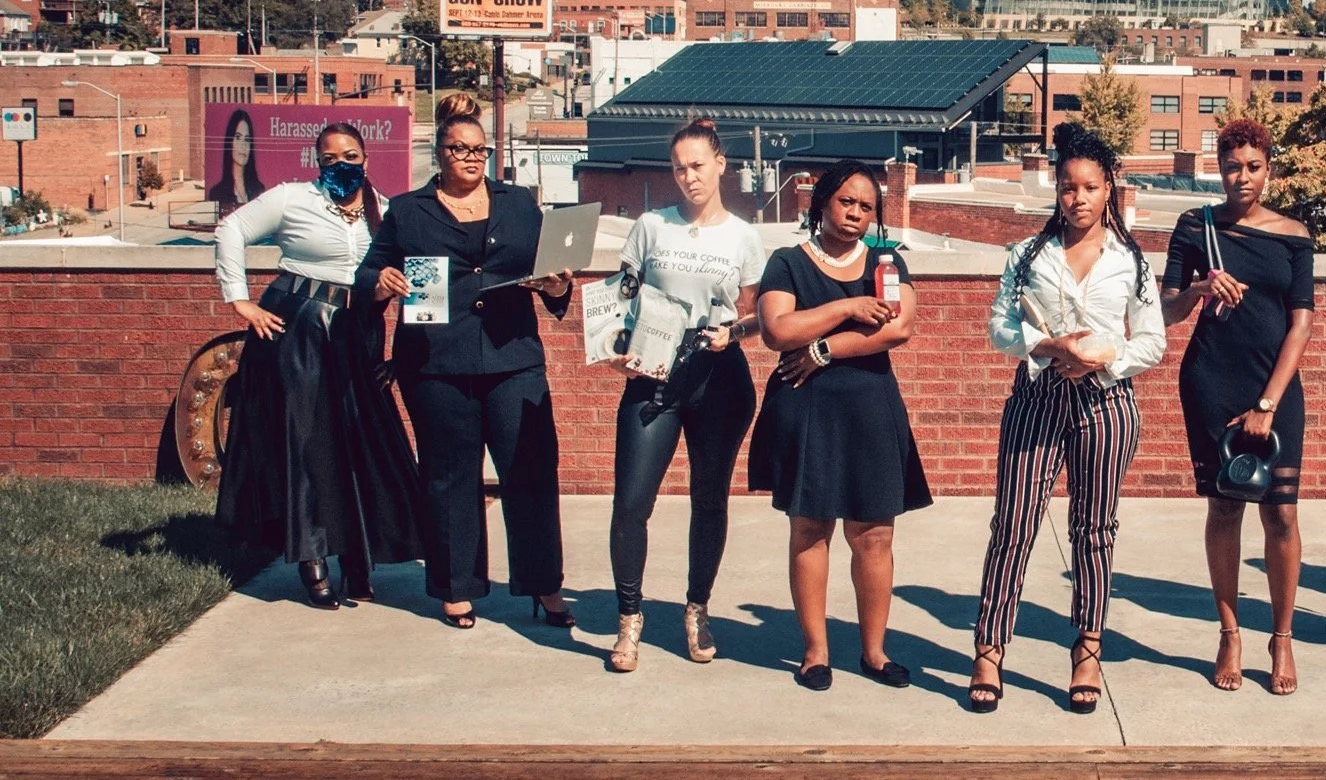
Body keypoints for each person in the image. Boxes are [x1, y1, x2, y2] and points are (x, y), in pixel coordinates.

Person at [354, 93, 577, 631]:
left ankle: (543, 583)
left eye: (479, 150)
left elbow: (554, 270)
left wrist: (558, 284)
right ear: (439, 153)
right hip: (435, 364)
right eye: (459, 149)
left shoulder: (521, 202)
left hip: (513, 359)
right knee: (450, 476)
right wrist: (381, 283)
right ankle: (455, 586)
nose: (471, 158)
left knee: (530, 472)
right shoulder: (408, 211)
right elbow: (367, 273)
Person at [974, 123, 1166, 715]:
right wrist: (1052, 348)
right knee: (1014, 524)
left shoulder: (1132, 263)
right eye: (1066, 187)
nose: (1077, 198)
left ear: (1109, 188)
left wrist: (1105, 357)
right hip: (1037, 400)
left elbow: (1153, 342)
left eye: (1088, 187)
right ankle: (988, 649)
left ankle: (1087, 648)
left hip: (1106, 406)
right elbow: (999, 327)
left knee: (1094, 529)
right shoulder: (1027, 256)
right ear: (1055, 191)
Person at [214, 122, 427, 607]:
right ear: (316, 161)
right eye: (329, 158)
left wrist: (403, 351)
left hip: (359, 330)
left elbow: (419, 278)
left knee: (358, 442)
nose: (340, 165)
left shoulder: (388, 211)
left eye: (350, 156)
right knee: (307, 442)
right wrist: (240, 300)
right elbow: (232, 228)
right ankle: (312, 555)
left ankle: (357, 555)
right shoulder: (292, 198)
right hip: (299, 326)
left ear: (367, 158)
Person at [749, 160, 931, 691]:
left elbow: (899, 329)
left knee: (873, 534)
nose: (854, 213)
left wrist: (825, 348)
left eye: (866, 206)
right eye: (846, 201)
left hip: (869, 410)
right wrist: (850, 305)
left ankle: (874, 652)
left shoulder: (887, 261)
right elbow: (779, 331)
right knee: (810, 527)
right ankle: (815, 652)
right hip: (805, 409)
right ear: (822, 201)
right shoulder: (786, 262)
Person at [604, 119, 767, 673]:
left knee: (710, 500)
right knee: (631, 502)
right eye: (679, 167)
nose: (688, 176)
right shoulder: (651, 226)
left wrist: (734, 333)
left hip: (718, 379)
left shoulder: (744, 237)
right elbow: (618, 299)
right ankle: (629, 620)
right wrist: (614, 347)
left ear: (722, 164)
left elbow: (758, 318)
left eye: (698, 165)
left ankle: (697, 608)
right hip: (653, 375)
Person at [1161, 118, 1315, 694]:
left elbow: (1301, 323)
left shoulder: (1294, 234)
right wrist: (1200, 289)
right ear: (1218, 168)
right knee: (1224, 509)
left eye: (1253, 166)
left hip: (1274, 388)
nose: (1241, 176)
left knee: (1281, 513)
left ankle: (1281, 639)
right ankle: (1229, 635)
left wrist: (1269, 402)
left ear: (1268, 169)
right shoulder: (1193, 226)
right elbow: (1166, 311)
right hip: (1211, 380)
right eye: (1232, 166)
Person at [208, 108, 266, 213]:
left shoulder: (259, 189)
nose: (243, 145)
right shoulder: (217, 193)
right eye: (238, 137)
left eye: (247, 139)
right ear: (230, 142)